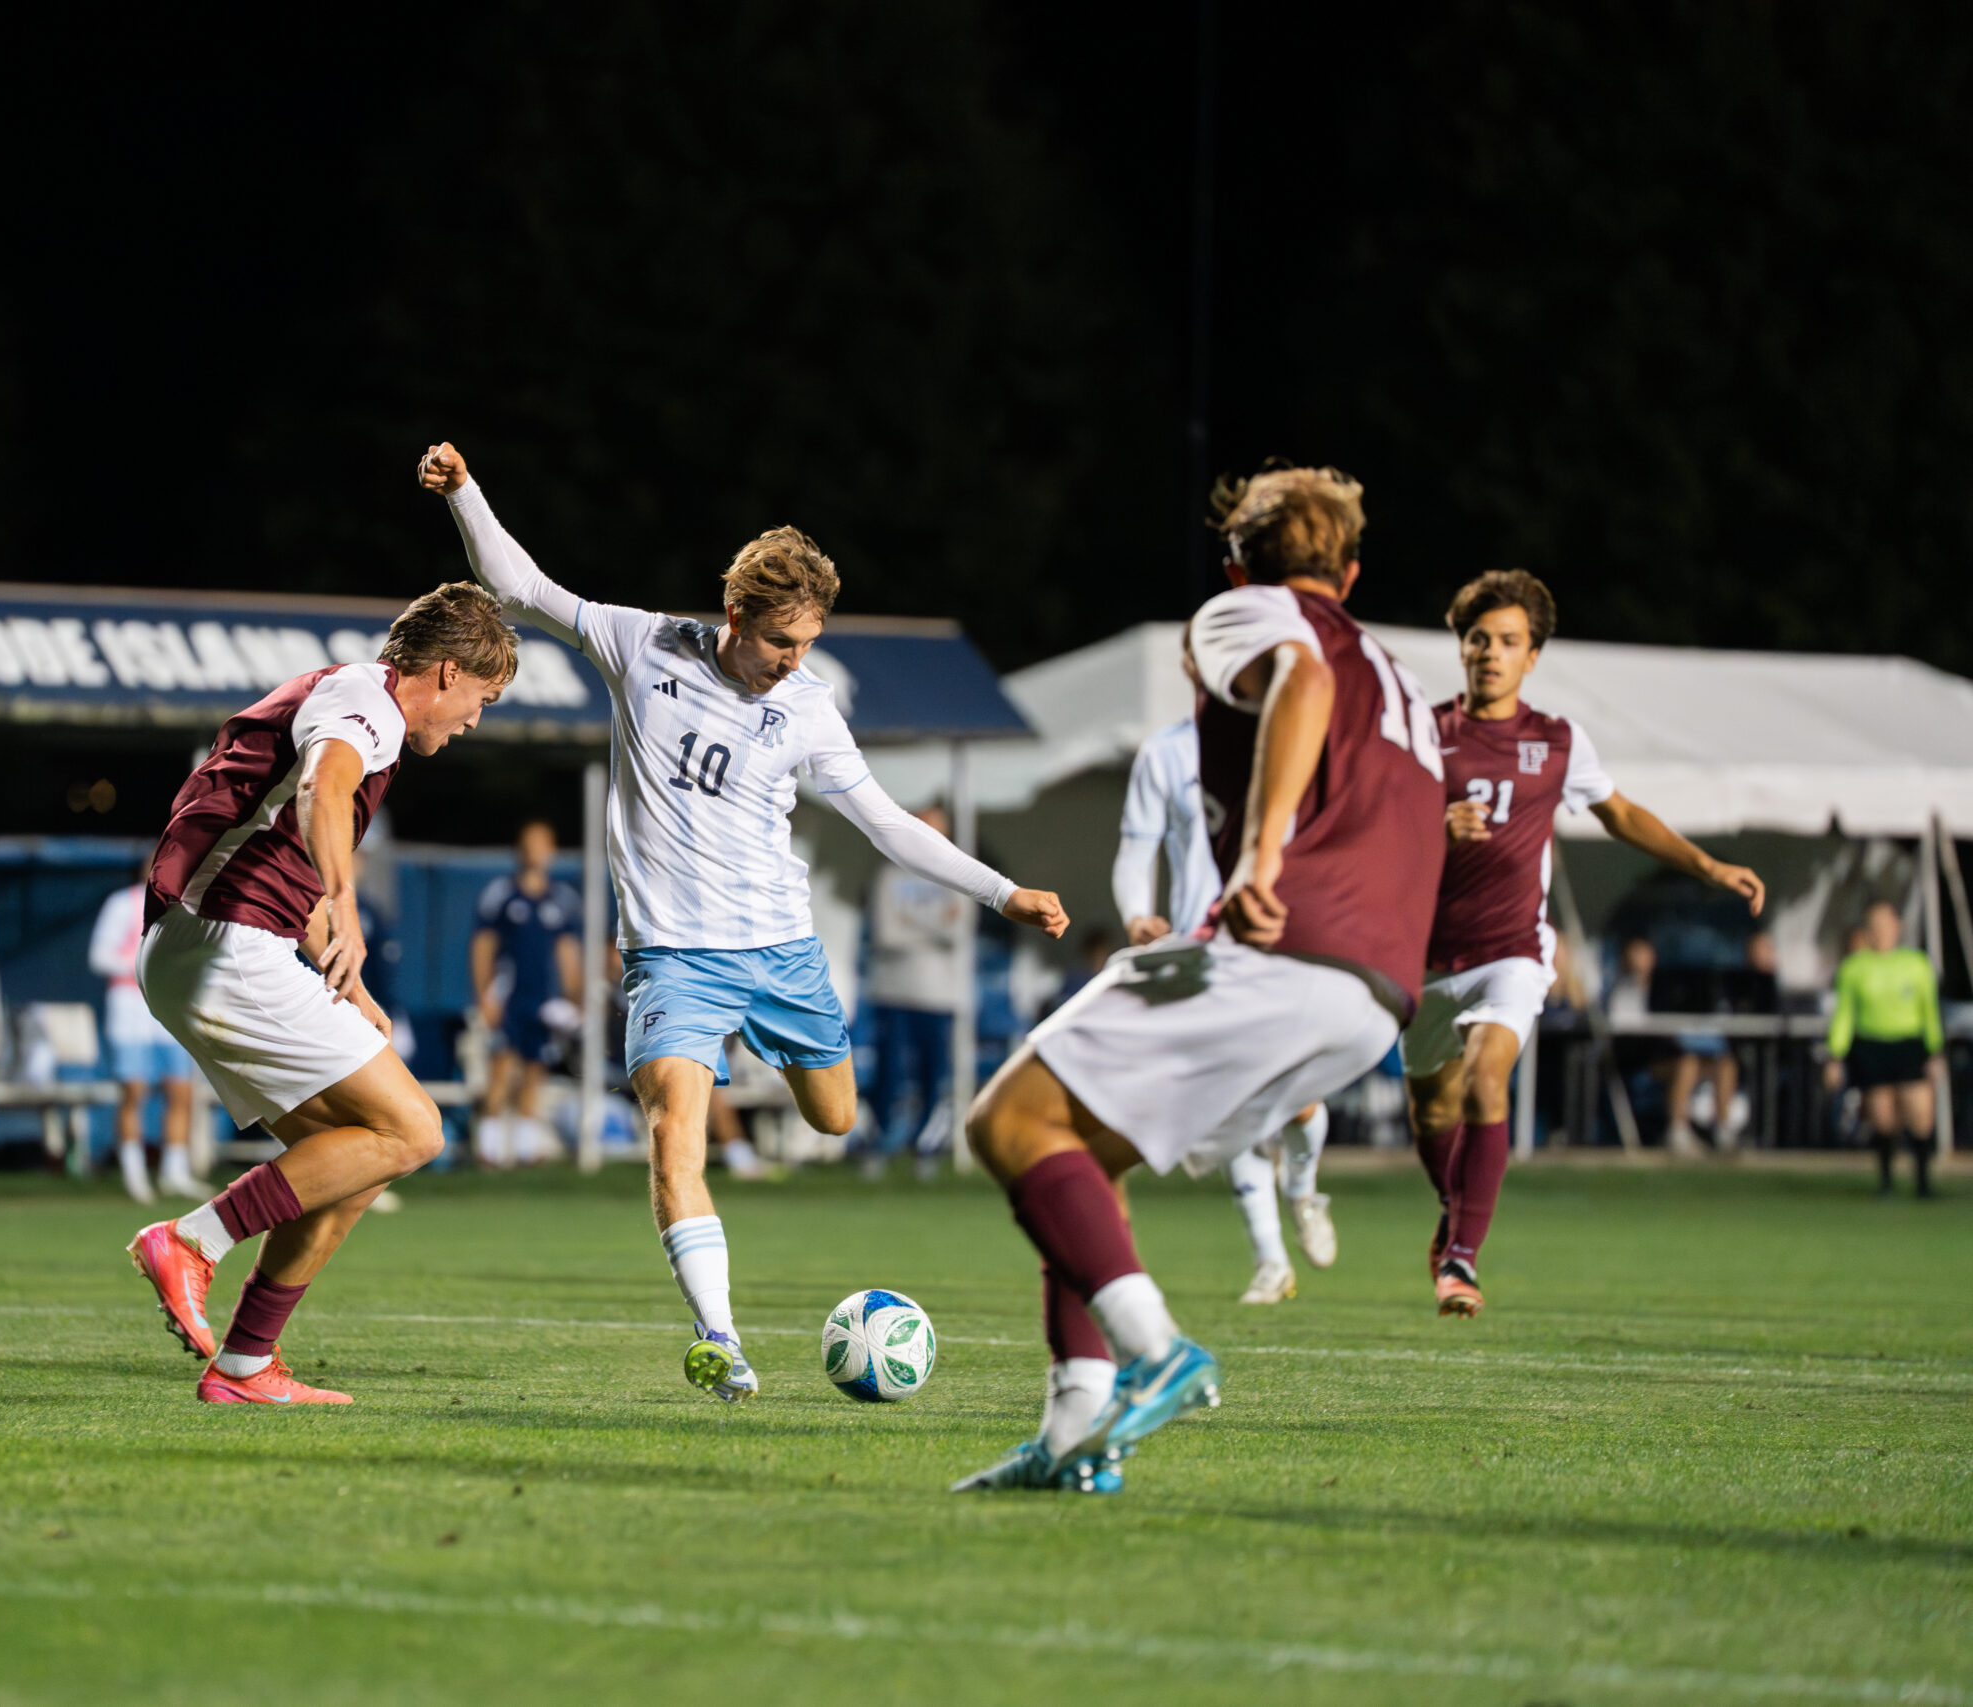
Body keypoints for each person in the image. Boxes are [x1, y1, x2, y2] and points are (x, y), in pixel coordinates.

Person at [422, 440, 1069, 1404]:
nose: (794, 662)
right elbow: (521, 585)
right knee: (674, 1126)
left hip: (781, 952)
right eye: (780, 643)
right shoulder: (643, 645)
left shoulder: (808, 708)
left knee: (835, 1116)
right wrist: (466, 492)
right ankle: (720, 1337)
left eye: (807, 643)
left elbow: (886, 822)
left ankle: (784, 1135)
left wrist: (1000, 890)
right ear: (735, 618)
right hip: (673, 957)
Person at [954, 464, 1445, 1495]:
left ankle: (1157, 1352)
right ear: (1350, 573)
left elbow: (1298, 681)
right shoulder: (1398, 678)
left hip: (1283, 946)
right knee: (1082, 1157)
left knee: (1006, 1123)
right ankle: (1075, 1441)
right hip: (1375, 992)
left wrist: (1260, 863)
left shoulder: (1241, 613)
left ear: (1234, 562)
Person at [125, 582, 516, 1407]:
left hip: (207, 945)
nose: (475, 719)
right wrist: (344, 901)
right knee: (414, 1128)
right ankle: (191, 1239)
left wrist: (347, 972)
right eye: (481, 698)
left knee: (355, 1161)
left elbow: (275, 842)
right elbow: (322, 793)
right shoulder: (366, 707)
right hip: (225, 946)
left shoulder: (345, 695)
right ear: (446, 673)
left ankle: (243, 1367)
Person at [1404, 571, 1764, 1316]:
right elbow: (1372, 831)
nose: (1490, 653)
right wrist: (1430, 827)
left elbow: (1621, 812)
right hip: (1426, 955)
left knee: (1486, 1079)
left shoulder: (1556, 740)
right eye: (1478, 639)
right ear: (1460, 646)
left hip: (1513, 951)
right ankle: (1457, 1213)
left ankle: (1462, 1261)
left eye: (1508, 641)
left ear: (1533, 655)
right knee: (1433, 1110)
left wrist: (1706, 864)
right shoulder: (1422, 731)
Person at [1115, 711, 1337, 1304]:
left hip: (1285, 947)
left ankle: (1304, 1189)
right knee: (1225, 1107)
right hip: (1204, 955)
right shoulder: (1167, 752)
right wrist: (1138, 913)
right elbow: (1138, 847)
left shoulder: (1304, 737)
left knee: (1300, 1101)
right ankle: (1270, 1259)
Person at [858, 805, 968, 1179]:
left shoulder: (959, 877)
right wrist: (935, 926)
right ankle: (880, 1144)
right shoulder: (889, 876)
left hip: (939, 996)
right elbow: (887, 934)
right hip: (893, 992)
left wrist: (913, 925)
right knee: (888, 1073)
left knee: (932, 1074)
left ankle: (925, 1147)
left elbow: (960, 932)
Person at [469, 819, 583, 1168]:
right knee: (502, 1065)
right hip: (509, 996)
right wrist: (484, 995)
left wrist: (575, 997)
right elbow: (483, 946)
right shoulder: (502, 893)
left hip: (543, 999)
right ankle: (487, 1146)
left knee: (537, 1066)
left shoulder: (561, 898)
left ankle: (524, 1146)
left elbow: (568, 952)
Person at [93, 849, 200, 1203]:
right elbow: (100, 957)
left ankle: (175, 1172)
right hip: (130, 1013)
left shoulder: (184, 908)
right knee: (133, 1093)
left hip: (168, 1012)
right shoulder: (121, 904)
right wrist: (144, 965)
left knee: (180, 1091)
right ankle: (134, 1173)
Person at [1826, 899, 1945, 1198]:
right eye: (1873, 926)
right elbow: (1844, 1015)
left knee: (1919, 1114)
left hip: (1908, 1044)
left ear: (1897, 926)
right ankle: (1887, 1182)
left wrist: (1935, 1050)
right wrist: (1835, 1055)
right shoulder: (1854, 968)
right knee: (1882, 1117)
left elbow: (1929, 1011)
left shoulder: (1917, 964)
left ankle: (1922, 1182)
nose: (1879, 932)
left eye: (1884, 924)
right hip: (1871, 1046)